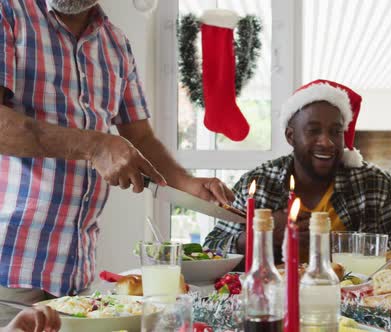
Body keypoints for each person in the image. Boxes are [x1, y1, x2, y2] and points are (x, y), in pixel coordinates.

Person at [0, 0, 234, 310]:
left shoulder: (116, 43)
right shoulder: (9, 14)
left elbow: (139, 137)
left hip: (75, 274)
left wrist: (187, 184)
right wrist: (95, 145)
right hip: (8, 272)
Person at [205, 79, 391, 262]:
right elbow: (209, 250)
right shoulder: (258, 183)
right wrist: (259, 237)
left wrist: (331, 245)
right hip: (276, 304)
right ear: (291, 136)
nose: (327, 142)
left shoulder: (376, 184)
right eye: (313, 131)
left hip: (359, 309)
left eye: (335, 132)